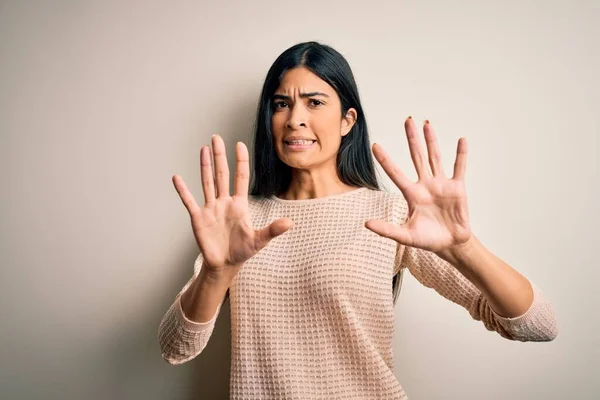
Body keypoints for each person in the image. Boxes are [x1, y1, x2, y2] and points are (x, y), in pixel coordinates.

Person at [158, 41, 558, 399]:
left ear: (348, 120)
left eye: (314, 102)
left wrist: (463, 248)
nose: (295, 118)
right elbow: (175, 348)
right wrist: (217, 273)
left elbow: (539, 325)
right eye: (282, 104)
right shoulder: (241, 223)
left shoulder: (390, 216)